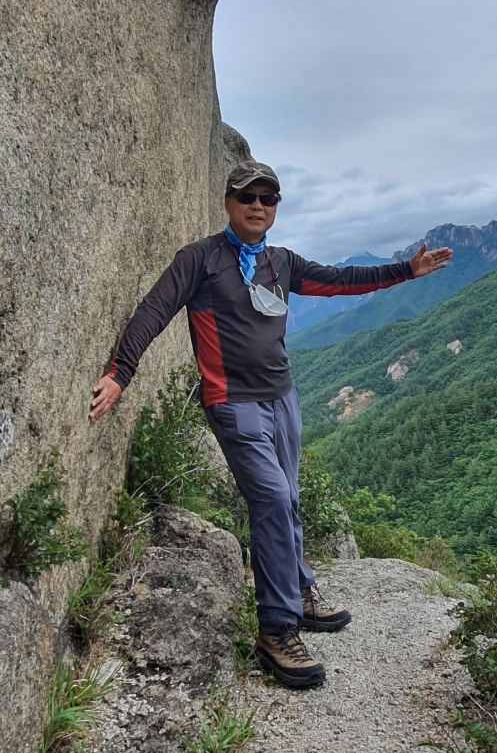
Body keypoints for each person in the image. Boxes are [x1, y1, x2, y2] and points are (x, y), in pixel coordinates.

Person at [90, 160, 452, 689]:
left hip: (283, 398)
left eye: (269, 197)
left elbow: (339, 281)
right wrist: (120, 373)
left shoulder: (280, 262)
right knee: (274, 500)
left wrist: (404, 270)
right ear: (228, 202)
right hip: (234, 402)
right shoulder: (200, 260)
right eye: (247, 196)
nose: (258, 205)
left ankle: (298, 591)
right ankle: (276, 628)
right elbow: (154, 309)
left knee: (289, 497)